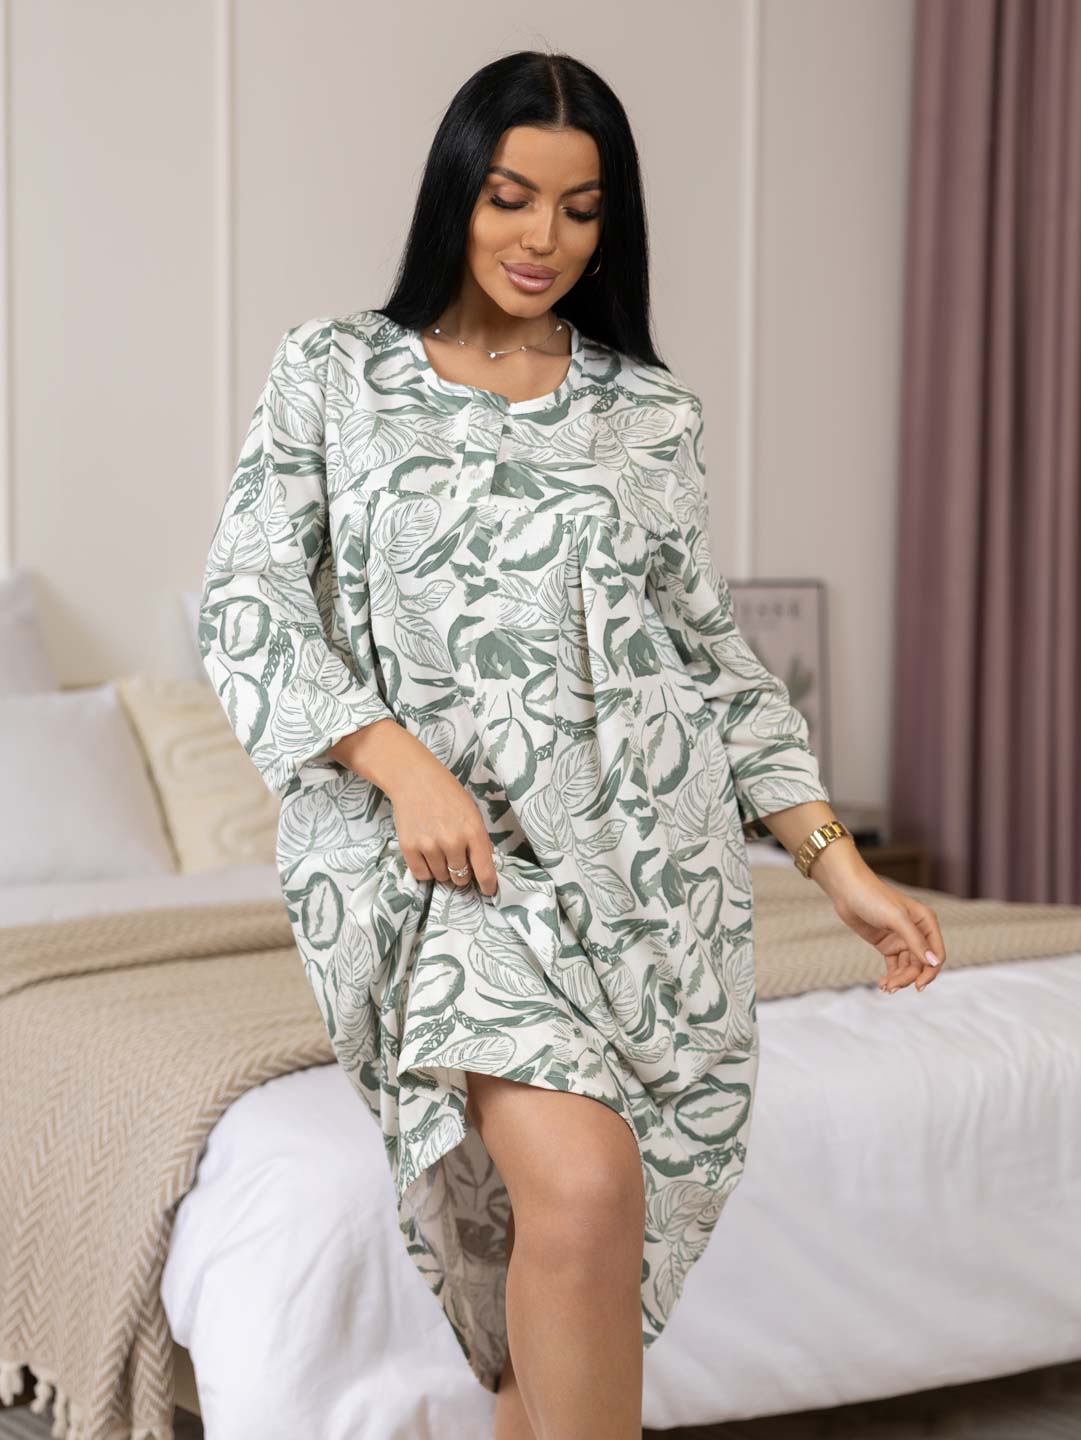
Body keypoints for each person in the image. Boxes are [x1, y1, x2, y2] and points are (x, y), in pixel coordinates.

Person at [198, 48, 947, 1440]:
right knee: (587, 1188)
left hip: (643, 870)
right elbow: (247, 603)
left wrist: (835, 864)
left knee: (570, 1242)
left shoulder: (646, 413)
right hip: (438, 868)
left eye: (581, 208)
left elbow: (712, 661)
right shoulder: (334, 372)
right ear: (455, 193)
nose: (543, 237)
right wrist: (398, 763)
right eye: (510, 197)